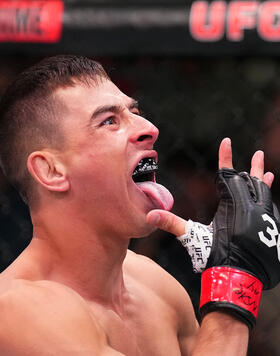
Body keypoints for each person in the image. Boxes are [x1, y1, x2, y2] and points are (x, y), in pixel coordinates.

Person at [0, 55, 277, 356]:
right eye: (108, 121)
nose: (149, 127)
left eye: (135, 111)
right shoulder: (18, 311)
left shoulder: (155, 286)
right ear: (51, 171)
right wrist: (234, 282)